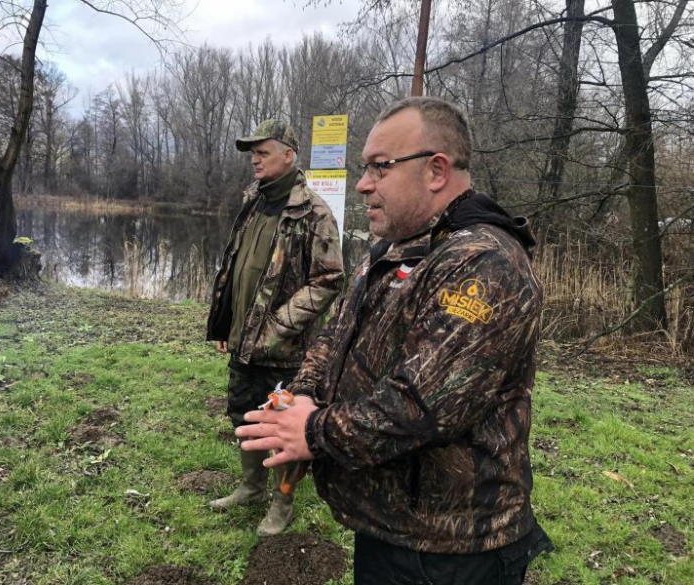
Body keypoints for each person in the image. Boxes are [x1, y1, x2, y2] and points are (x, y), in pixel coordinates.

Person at [237, 98, 553, 583]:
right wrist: (300, 398)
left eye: (379, 168)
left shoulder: (484, 263)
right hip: (389, 524)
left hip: (450, 550)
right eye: (365, 169)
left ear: (436, 170)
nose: (363, 184)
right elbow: (334, 336)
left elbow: (422, 406)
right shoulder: (395, 248)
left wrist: (313, 432)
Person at [206, 119, 345, 537]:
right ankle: (251, 488)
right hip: (243, 344)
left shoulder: (314, 211)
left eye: (263, 153)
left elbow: (329, 279)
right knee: (243, 414)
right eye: (253, 154)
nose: (255, 161)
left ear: (289, 155)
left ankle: (282, 504)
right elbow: (236, 266)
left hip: (285, 350)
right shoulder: (253, 202)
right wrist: (225, 324)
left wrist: (278, 326)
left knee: (284, 426)